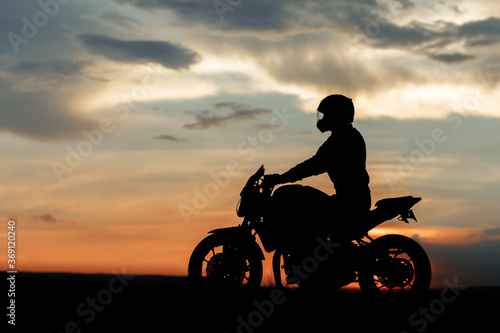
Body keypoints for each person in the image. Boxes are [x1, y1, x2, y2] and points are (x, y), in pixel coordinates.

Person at [264, 94, 371, 239]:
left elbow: (312, 165)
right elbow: (313, 164)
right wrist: (281, 178)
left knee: (301, 199)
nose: (322, 119)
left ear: (336, 115)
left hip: (351, 203)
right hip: (352, 200)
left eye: (327, 115)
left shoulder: (342, 140)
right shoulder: (344, 136)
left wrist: (280, 179)